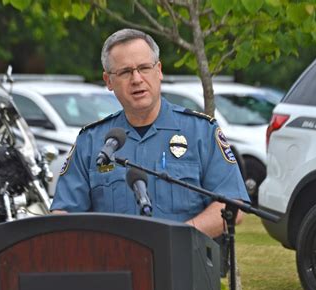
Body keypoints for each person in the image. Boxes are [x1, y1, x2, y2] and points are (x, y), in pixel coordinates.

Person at [50, 28, 249, 238]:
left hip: (184, 264)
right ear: (108, 81)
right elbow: (64, 214)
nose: (136, 79)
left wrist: (177, 237)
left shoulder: (200, 132)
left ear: (159, 70)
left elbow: (231, 206)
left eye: (144, 68)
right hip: (114, 265)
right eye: (125, 72)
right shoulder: (91, 141)